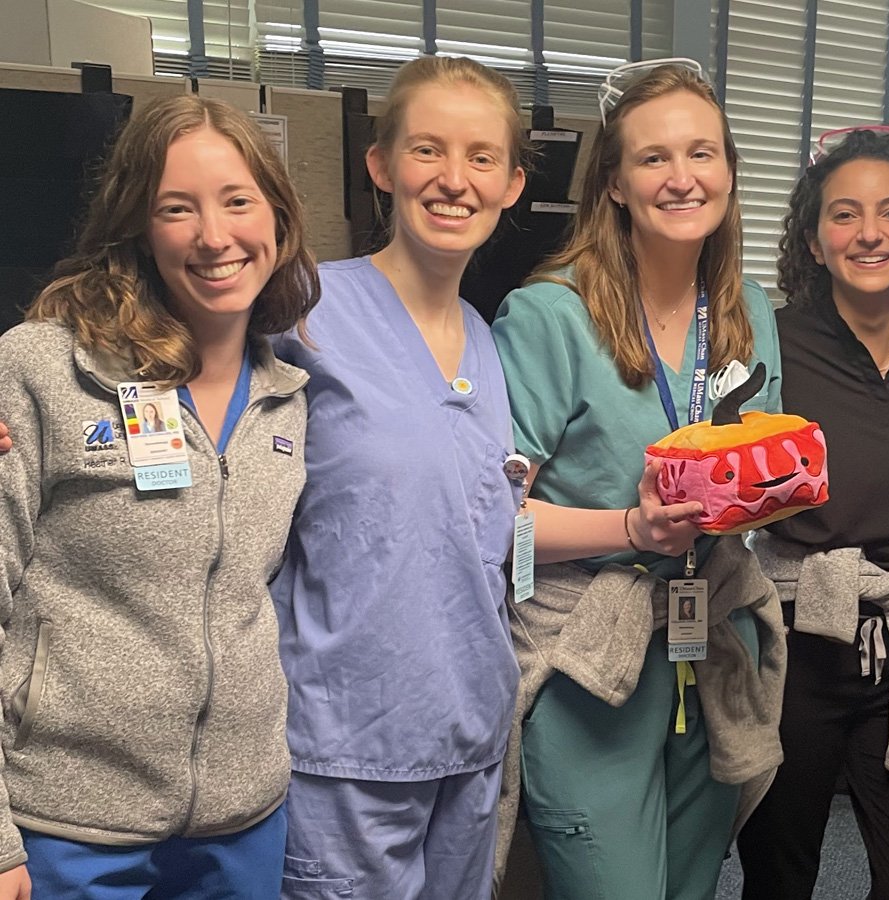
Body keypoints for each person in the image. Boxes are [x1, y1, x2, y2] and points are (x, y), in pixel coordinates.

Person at [0, 94, 317, 900]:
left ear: (277, 218)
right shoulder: (43, 370)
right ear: (139, 227)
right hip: (66, 825)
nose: (214, 236)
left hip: (242, 822)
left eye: (238, 201)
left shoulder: (287, 399)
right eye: (178, 208)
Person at [490, 60, 786, 899]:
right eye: (654, 158)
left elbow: (752, 473)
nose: (682, 178)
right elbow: (496, 521)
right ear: (614, 183)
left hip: (711, 632)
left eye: (702, 153)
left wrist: (773, 487)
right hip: (590, 648)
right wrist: (632, 527)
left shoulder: (747, 310)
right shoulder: (549, 315)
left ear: (729, 169)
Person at [270, 56, 526, 899]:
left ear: (512, 184)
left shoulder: (486, 341)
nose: (454, 180)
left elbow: (474, 521)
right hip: (345, 745)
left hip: (468, 733)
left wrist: (639, 526)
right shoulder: (303, 311)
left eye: (481, 157)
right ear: (381, 166)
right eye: (427, 150)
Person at [736, 125, 889, 900]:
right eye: (845, 214)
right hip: (798, 640)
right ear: (813, 239)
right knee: (780, 875)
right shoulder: (772, 343)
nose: (871, 232)